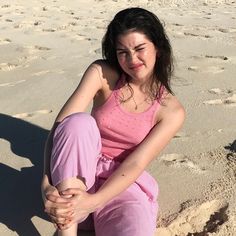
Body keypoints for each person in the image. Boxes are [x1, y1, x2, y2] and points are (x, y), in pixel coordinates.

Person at [41, 7, 185, 236]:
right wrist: (46, 185)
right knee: (77, 123)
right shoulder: (102, 73)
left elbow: (135, 164)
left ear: (157, 48)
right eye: (122, 52)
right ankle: (66, 231)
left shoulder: (171, 111)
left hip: (120, 186)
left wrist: (94, 201)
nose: (132, 59)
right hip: (75, 184)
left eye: (139, 49)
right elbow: (59, 131)